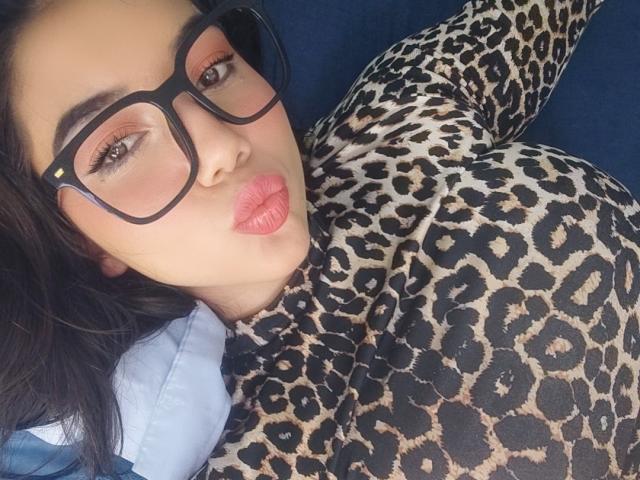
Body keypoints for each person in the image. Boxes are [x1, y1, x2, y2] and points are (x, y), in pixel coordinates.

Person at [0, 0, 638, 480]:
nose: (223, 145)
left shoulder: (391, 125)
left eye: (213, 69)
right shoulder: (258, 457)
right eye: (117, 147)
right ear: (77, 239)